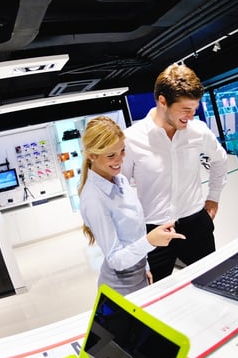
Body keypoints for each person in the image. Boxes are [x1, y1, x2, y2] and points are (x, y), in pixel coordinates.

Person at [122, 64, 228, 282]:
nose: (192, 115)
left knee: (213, 283)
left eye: (194, 108)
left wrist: (214, 197)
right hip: (154, 232)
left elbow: (220, 159)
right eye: (185, 109)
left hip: (196, 224)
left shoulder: (198, 132)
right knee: (155, 295)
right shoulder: (131, 139)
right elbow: (120, 188)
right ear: (162, 101)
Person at [78, 116, 185, 295]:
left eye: (122, 151)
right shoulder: (93, 199)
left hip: (140, 275)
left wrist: (145, 267)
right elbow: (115, 259)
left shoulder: (121, 181)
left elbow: (135, 233)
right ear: (91, 156)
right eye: (111, 155)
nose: (120, 160)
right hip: (119, 289)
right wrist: (150, 241)